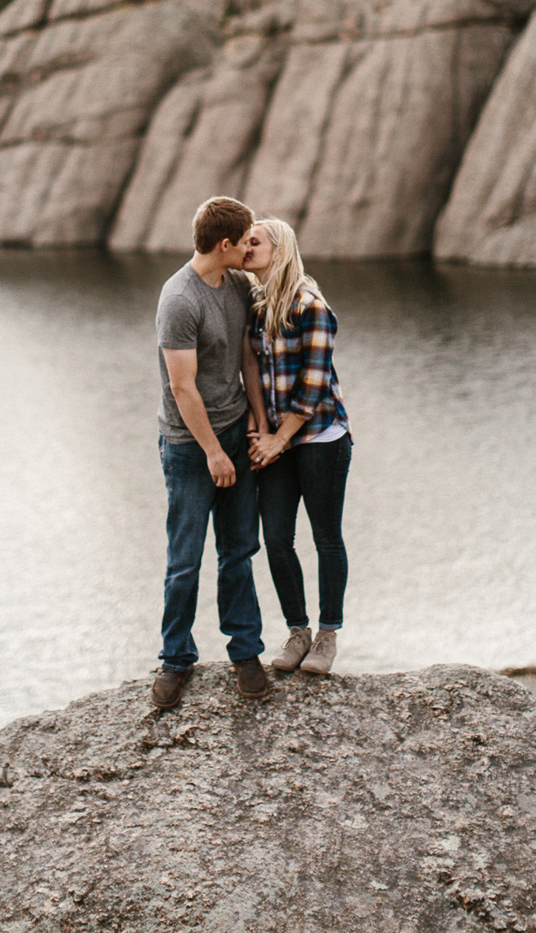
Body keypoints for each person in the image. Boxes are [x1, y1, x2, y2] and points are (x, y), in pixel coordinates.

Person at [152, 196, 271, 709]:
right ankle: (175, 658)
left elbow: (245, 356)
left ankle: (245, 651)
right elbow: (183, 389)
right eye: (245, 240)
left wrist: (260, 421)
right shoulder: (179, 299)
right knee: (185, 558)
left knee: (239, 549)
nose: (250, 247)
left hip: (235, 433)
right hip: (189, 445)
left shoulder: (240, 286)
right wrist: (213, 454)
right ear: (224, 244)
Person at [244, 218, 352, 676]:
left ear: (280, 249)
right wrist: (259, 430)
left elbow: (310, 390)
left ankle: (327, 636)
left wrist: (277, 439)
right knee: (275, 539)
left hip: (320, 438)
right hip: (275, 441)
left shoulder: (312, 308)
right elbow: (249, 371)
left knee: (326, 538)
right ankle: (298, 630)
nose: (246, 248)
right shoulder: (255, 304)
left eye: (255, 241)